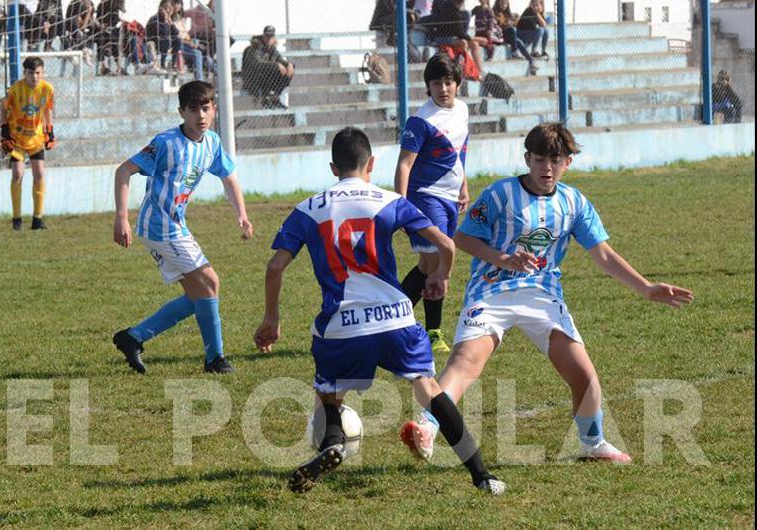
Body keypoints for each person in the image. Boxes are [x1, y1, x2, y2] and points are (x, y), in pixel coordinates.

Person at [401, 123, 694, 463]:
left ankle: (592, 443)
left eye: (556, 160)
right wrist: (503, 259)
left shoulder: (573, 203)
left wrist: (646, 287)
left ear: (568, 161)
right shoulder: (499, 194)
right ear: (527, 158)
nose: (547, 168)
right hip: (492, 291)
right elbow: (463, 238)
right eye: (540, 159)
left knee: (583, 374)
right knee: (466, 362)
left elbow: (603, 254)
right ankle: (427, 427)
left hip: (542, 296)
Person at [253, 126, 506, 495]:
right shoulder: (389, 201)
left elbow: (275, 267)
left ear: (332, 167)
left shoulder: (307, 209)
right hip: (395, 320)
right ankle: (482, 475)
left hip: (341, 325)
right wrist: (439, 276)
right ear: (371, 164)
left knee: (328, 396)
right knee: (429, 390)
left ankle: (332, 444)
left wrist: (271, 319)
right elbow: (446, 245)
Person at [111, 80, 253, 375]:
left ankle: (133, 337)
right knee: (210, 282)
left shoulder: (212, 142)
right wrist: (121, 217)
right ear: (181, 112)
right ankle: (215, 359)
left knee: (198, 295)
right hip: (160, 227)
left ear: (214, 109)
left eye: (205, 109)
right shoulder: (166, 143)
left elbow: (229, 177)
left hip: (175, 225)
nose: (200, 116)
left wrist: (241, 213)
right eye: (192, 110)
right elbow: (124, 170)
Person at [395, 53, 469, 356]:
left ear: (457, 83)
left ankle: (391, 320)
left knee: (428, 266)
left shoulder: (462, 110)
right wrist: (400, 207)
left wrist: (463, 184)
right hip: (424, 195)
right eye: (436, 83)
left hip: (450, 197)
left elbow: (460, 150)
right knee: (438, 261)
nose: (443, 88)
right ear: (428, 86)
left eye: (448, 82)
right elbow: (404, 165)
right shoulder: (421, 120)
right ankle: (432, 331)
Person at [1, 56, 55, 231]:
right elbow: (3, 110)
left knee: (39, 173)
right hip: (17, 139)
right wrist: (4, 133)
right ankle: (16, 220)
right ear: (24, 73)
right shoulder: (15, 90)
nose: (35, 77)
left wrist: (50, 132)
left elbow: (47, 110)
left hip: (36, 138)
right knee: (17, 174)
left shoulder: (47, 89)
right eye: (31, 73)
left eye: (38, 73)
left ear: (43, 72)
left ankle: (37, 219)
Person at [241, 25, 294, 109]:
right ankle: (270, 98)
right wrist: (276, 65)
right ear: (263, 36)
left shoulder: (271, 49)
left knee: (289, 71)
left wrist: (289, 65)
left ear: (274, 37)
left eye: (271, 36)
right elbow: (257, 64)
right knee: (276, 68)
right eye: (267, 36)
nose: (269, 39)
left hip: (265, 81)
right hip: (253, 81)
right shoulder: (254, 47)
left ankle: (277, 98)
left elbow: (281, 60)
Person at [427, 0, 483, 76]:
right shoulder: (448, 8)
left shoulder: (461, 13)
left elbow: (461, 33)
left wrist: (473, 39)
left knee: (475, 44)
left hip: (455, 36)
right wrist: (474, 38)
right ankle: (463, 70)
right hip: (441, 37)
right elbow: (460, 33)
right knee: (463, 43)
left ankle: (480, 72)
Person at [492, 0, 536, 75]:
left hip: (507, 36)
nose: (504, 5)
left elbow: (510, 24)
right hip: (497, 36)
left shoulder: (507, 13)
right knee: (512, 30)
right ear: (498, 3)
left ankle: (531, 61)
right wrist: (506, 24)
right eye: (502, 3)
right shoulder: (493, 12)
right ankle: (514, 52)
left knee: (518, 41)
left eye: (505, 3)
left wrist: (512, 22)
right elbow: (496, 26)